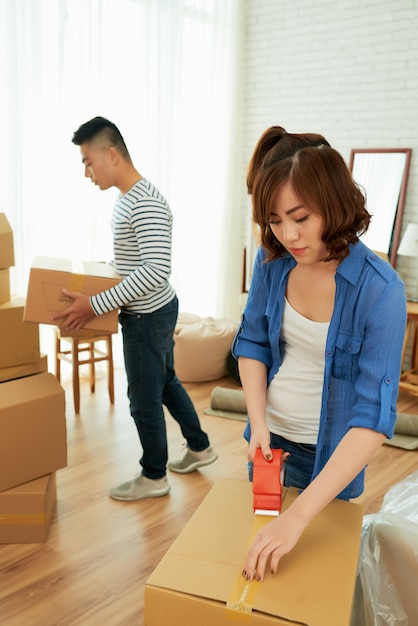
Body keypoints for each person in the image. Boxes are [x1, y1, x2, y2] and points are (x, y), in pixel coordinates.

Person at [232, 126, 406, 582]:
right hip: (269, 447)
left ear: (331, 203)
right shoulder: (272, 260)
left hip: (331, 460)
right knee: (262, 581)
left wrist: (299, 515)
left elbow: (374, 417)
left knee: (316, 588)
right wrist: (259, 425)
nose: (288, 234)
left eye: (300, 217)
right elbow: (251, 342)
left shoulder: (380, 290)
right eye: (273, 220)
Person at [53, 116, 217, 501]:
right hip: (150, 311)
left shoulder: (144, 202)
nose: (86, 172)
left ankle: (154, 476)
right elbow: (136, 263)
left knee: (143, 398)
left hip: (147, 316)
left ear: (111, 154)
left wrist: (94, 304)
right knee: (165, 384)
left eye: (88, 161)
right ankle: (200, 447)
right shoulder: (128, 199)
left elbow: (157, 270)